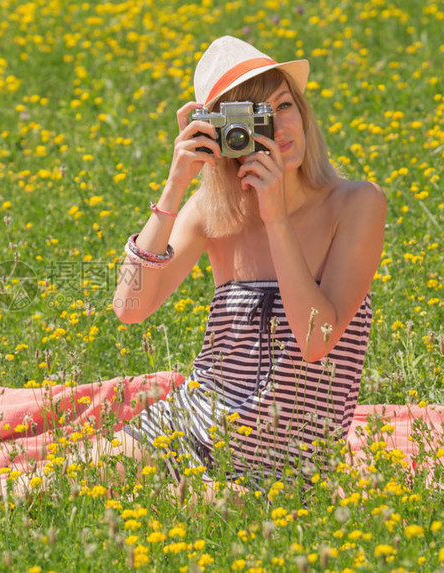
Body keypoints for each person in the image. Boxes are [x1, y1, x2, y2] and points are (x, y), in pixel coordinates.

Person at [108, 36, 387, 488]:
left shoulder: (356, 204)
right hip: (188, 426)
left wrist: (276, 217)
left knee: (199, 513)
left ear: (302, 109)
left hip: (287, 466)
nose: (276, 129)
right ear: (219, 131)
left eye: (282, 106)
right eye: (254, 118)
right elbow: (130, 307)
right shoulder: (213, 213)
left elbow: (317, 341)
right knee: (42, 485)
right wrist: (175, 187)